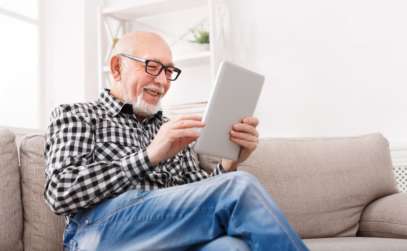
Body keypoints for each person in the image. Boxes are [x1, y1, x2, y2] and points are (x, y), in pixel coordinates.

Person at [44, 31, 309, 251]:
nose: (162, 81)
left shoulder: (170, 128)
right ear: (117, 67)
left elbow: (199, 194)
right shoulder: (77, 115)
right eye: (152, 67)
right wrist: (148, 156)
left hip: (168, 234)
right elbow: (60, 192)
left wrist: (229, 162)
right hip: (98, 233)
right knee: (239, 187)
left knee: (231, 247)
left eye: (169, 71)